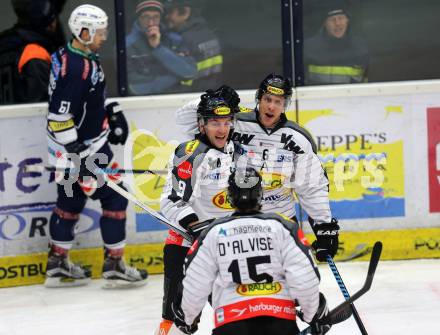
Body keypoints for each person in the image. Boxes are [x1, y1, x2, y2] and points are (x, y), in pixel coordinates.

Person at [45, 4, 148, 289]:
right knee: (116, 197)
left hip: (70, 150)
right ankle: (114, 263)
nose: (104, 37)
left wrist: (111, 110)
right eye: (100, 32)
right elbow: (59, 115)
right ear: (84, 32)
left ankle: (57, 263)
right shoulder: (76, 68)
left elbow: (90, 96)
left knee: (71, 201)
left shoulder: (76, 55)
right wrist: (78, 150)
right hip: (82, 153)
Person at [170, 167, 332, 335]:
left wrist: (187, 319)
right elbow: (305, 277)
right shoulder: (283, 227)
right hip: (279, 322)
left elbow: (195, 282)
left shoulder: (213, 233)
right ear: (260, 194)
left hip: (231, 323)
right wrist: (313, 313)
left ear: (229, 196)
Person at [232, 74, 339, 264]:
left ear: (285, 105)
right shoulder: (235, 123)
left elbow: (311, 186)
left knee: (294, 273)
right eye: (267, 99)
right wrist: (219, 102)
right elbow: (192, 121)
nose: (271, 106)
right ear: (259, 99)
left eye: (278, 102)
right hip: (239, 217)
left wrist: (324, 227)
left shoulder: (298, 138)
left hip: (282, 218)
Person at [157, 95, 236, 334]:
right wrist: (194, 224)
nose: (222, 129)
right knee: (177, 321)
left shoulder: (234, 147)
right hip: (185, 246)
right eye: (215, 123)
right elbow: (170, 200)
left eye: (226, 122)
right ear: (201, 124)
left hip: (222, 247)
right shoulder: (191, 154)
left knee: (234, 313)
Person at [126, 0, 197, 95]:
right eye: (146, 17)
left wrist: (158, 48)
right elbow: (135, 88)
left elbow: (190, 72)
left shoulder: (175, 39)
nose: (151, 23)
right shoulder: (127, 46)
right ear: (139, 18)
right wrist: (177, 76)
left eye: (156, 17)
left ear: (161, 19)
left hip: (177, 98)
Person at [0, 0, 58, 104]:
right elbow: (41, 109)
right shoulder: (34, 53)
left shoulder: (6, 46)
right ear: (49, 23)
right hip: (25, 119)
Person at [303, 1, 369, 85]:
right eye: (332, 20)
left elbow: (366, 82)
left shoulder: (360, 47)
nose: (337, 23)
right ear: (325, 24)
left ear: (347, 21)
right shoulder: (309, 47)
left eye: (341, 18)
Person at [164, 0, 223, 91]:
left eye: (170, 12)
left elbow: (184, 81)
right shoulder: (211, 34)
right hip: (213, 95)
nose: (167, 17)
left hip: (192, 98)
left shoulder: (183, 41)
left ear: (185, 12)